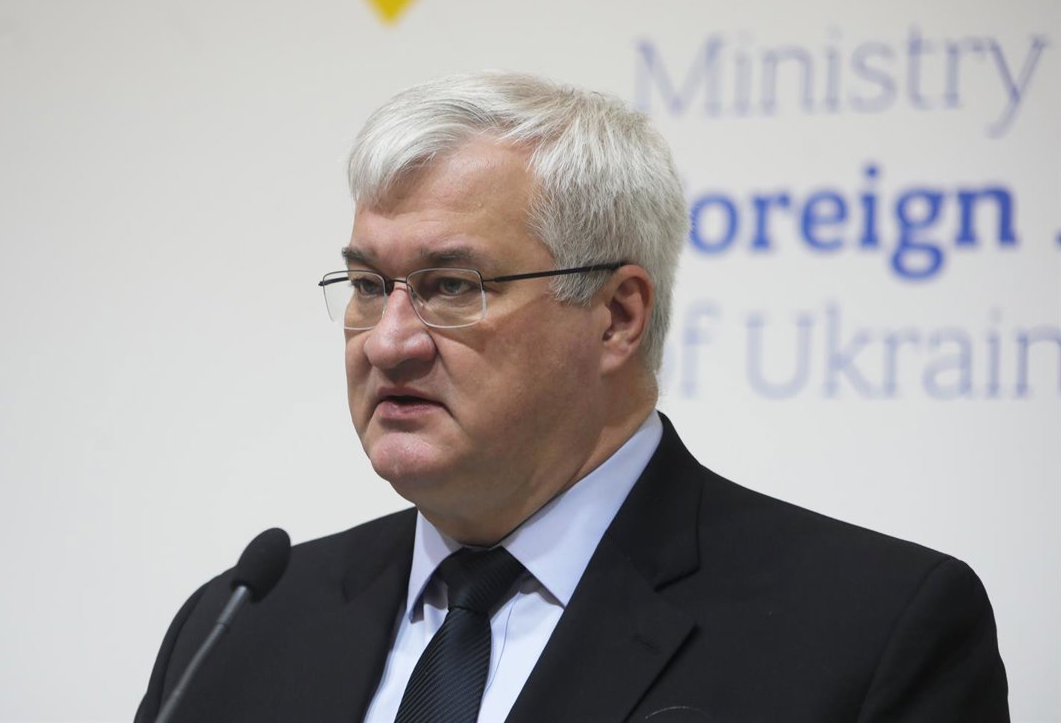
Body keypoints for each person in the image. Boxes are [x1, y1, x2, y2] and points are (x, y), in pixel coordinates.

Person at [135, 72, 1009, 722]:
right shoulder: (239, 627)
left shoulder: (870, 632)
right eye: (368, 285)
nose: (389, 341)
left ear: (617, 316)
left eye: (450, 286)